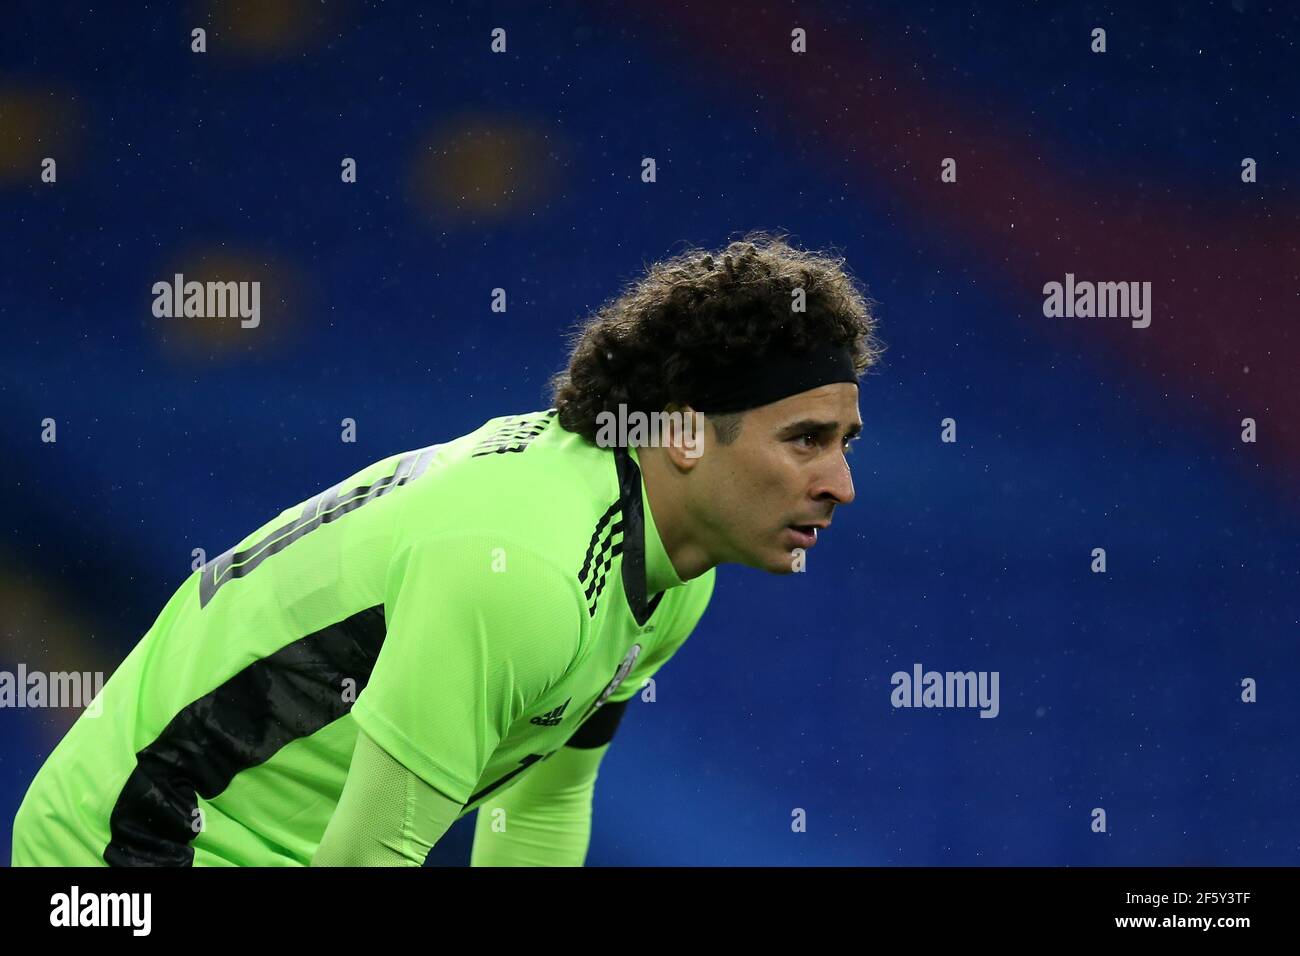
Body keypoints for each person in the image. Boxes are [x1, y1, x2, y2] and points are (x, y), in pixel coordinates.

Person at [11, 232, 881, 867]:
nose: (840, 482)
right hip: (124, 847)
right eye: (805, 440)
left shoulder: (673, 567)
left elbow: (539, 808)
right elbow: (369, 860)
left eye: (844, 442)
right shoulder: (523, 571)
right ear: (687, 434)